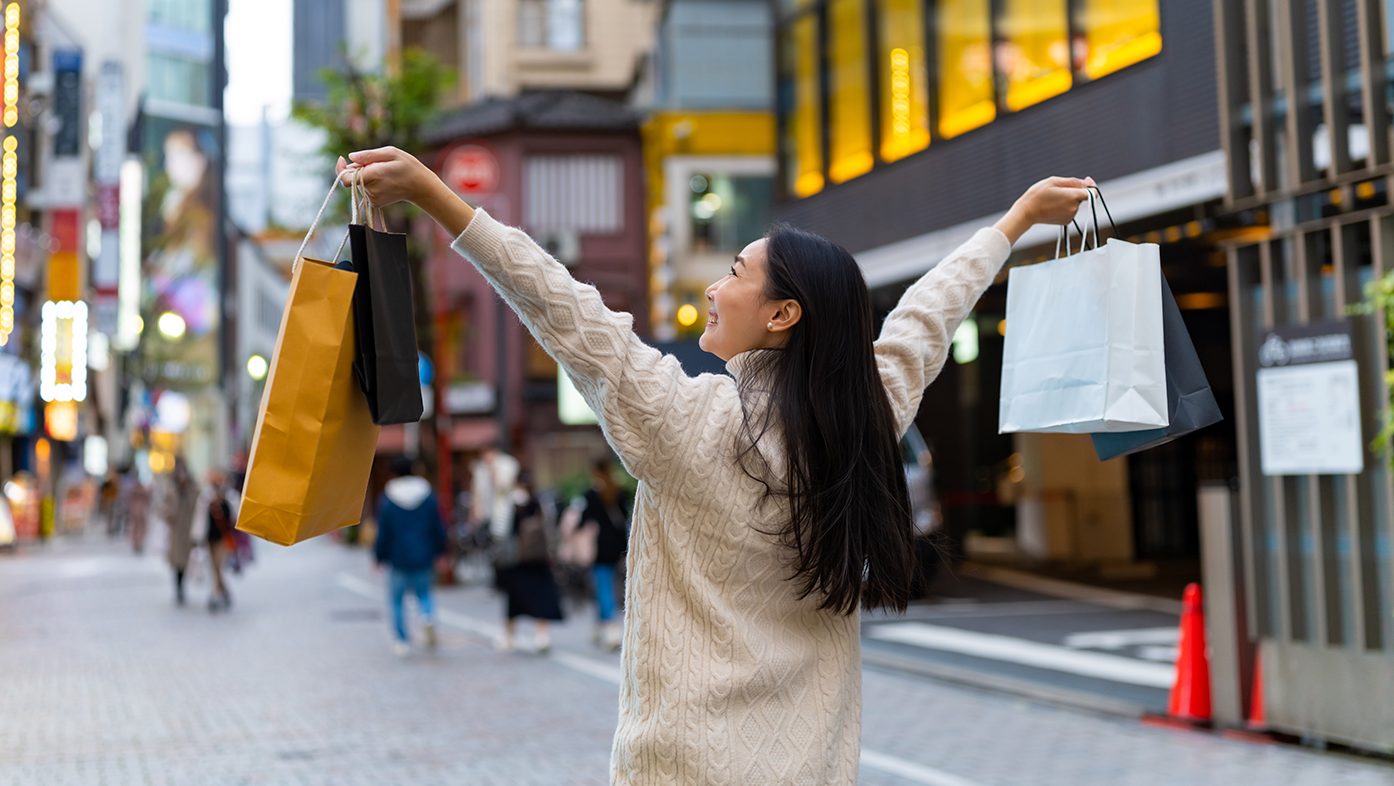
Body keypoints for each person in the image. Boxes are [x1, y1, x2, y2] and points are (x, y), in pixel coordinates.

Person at [338, 147, 1091, 785]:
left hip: (684, 767)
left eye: (735, 272)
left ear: (782, 314)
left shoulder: (686, 420)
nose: (713, 286)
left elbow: (562, 307)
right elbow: (925, 321)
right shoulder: (862, 420)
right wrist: (1012, 225)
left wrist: (435, 197)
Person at [372, 456, 447, 657]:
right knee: (424, 593)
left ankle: (402, 641)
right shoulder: (428, 495)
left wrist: (378, 556)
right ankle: (427, 617)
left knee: (397, 600)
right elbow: (438, 526)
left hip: (397, 557)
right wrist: (441, 551)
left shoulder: (387, 499)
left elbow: (383, 532)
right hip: (424, 553)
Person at [494, 468, 562, 654]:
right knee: (541, 597)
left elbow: (500, 531)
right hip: (539, 559)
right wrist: (551, 551)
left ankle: (508, 637)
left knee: (513, 600)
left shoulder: (509, 502)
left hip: (515, 559)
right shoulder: (541, 502)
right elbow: (550, 529)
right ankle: (542, 637)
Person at [574, 458, 629, 652]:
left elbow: (582, 522)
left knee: (603, 587)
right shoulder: (619, 492)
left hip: (599, 548)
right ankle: (599, 628)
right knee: (607, 586)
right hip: (618, 547)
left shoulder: (591, 495)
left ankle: (611, 628)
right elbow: (624, 523)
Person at [160, 459, 199, 606]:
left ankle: (182, 587)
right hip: (176, 531)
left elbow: (199, 508)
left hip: (189, 531)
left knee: (187, 562)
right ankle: (179, 589)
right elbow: (163, 507)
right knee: (177, 563)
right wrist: (167, 513)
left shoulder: (194, 490)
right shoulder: (171, 491)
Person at [202, 469, 233, 612]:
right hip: (210, 539)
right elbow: (200, 520)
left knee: (218, 568)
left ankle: (213, 597)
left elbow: (233, 518)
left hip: (222, 539)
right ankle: (225, 592)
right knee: (214, 568)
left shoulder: (229, 499)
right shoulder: (206, 499)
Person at [126, 471, 152, 554]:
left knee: (138, 528)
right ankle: (137, 543)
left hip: (139, 511)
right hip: (138, 511)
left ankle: (138, 543)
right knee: (138, 528)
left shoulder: (137, 490)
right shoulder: (138, 490)